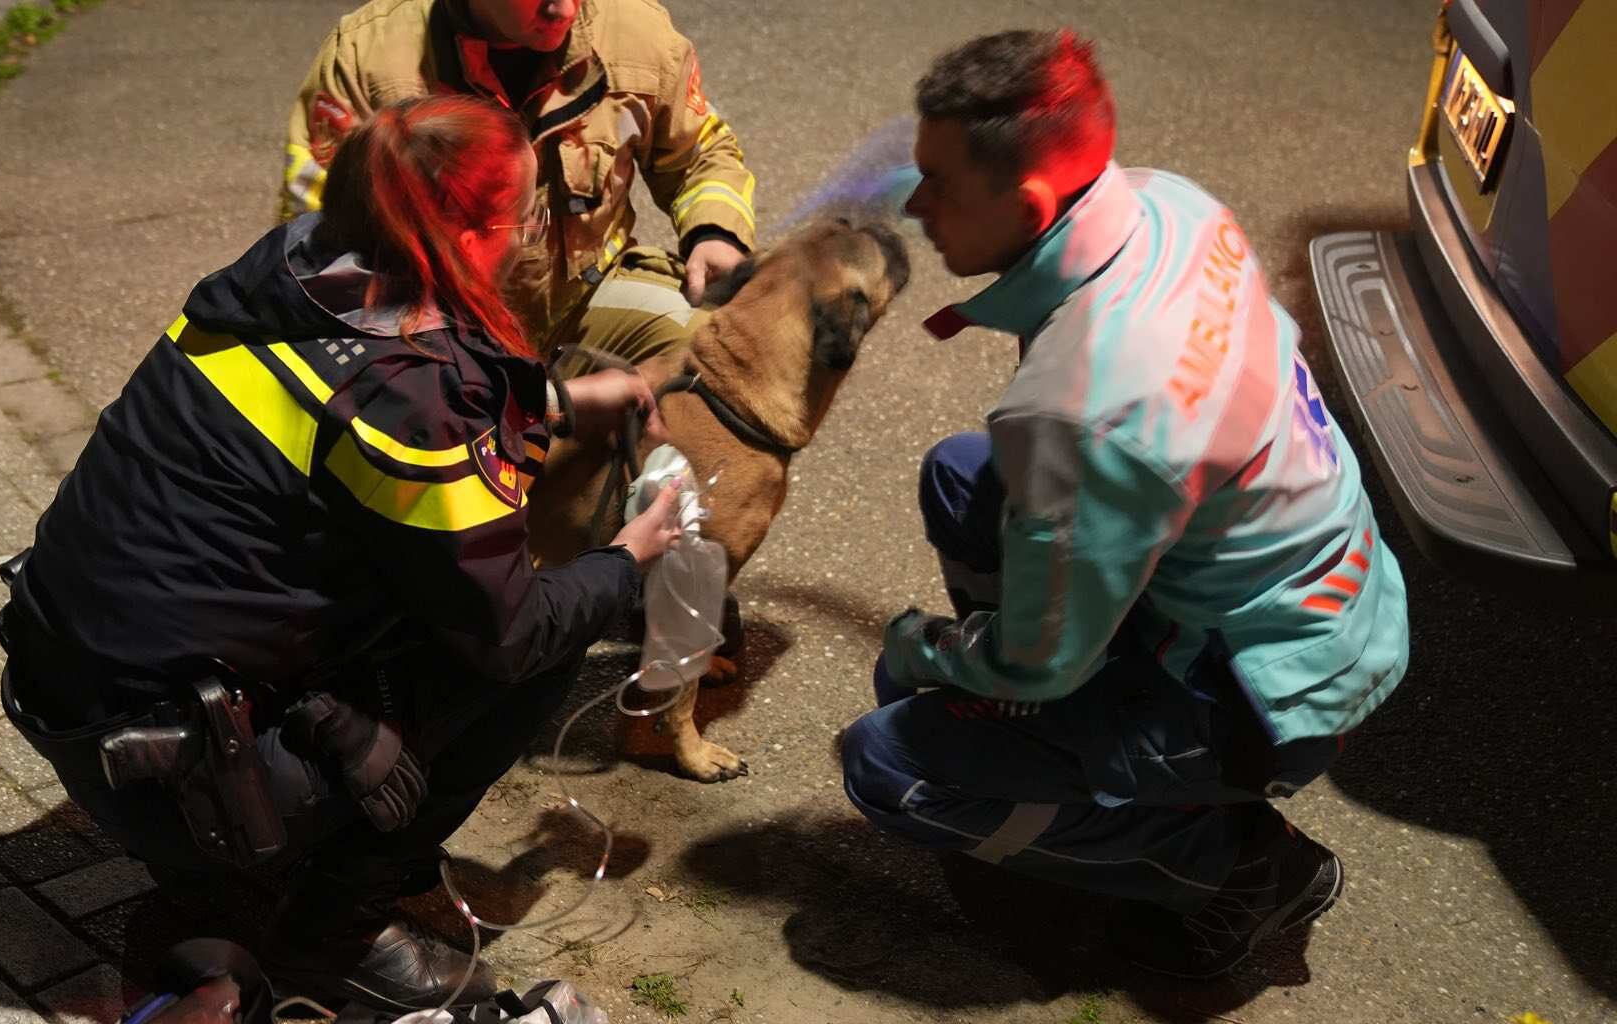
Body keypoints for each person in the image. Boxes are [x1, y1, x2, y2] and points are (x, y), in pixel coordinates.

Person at [0, 95, 682, 1011]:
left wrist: (558, 405)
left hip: (77, 700)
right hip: (182, 768)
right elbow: (508, 632)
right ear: (472, 234)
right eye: (524, 218)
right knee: (544, 636)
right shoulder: (411, 384)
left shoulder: (288, 270)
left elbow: (333, 437)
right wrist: (630, 555)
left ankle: (254, 869)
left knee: (441, 590)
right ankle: (329, 931)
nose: (531, 238)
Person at [839, 30, 1411, 979]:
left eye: (938, 183)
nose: (916, 205)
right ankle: (1073, 751)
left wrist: (926, 652)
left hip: (1264, 696)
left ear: (1027, 202)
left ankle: (1240, 870)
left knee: (891, 757)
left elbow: (1034, 662)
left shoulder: (1082, 407)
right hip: (1330, 598)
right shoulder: (1167, 202)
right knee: (961, 474)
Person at [280, 0, 756, 371]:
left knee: (715, 351)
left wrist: (715, 233)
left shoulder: (636, 33)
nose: (564, 10)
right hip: (429, 333)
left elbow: (701, 154)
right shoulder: (367, 61)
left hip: (581, 306)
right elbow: (317, 243)